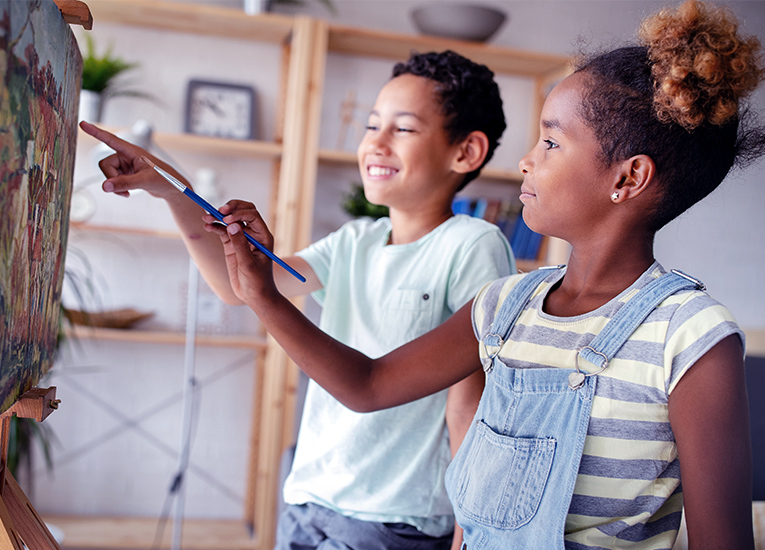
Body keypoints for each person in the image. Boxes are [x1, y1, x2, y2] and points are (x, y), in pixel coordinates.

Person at [208, 1, 765, 549]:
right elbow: (368, 386)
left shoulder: (691, 335)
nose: (526, 160)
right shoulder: (503, 306)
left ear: (628, 179)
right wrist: (264, 296)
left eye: (551, 142)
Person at [81, 50, 515, 550]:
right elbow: (232, 286)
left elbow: (468, 405)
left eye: (404, 129)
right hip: (309, 503)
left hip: (395, 522)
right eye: (372, 125)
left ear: (466, 152)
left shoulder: (475, 245)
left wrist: (468, 531)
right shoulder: (355, 241)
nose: (374, 142)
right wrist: (168, 189)